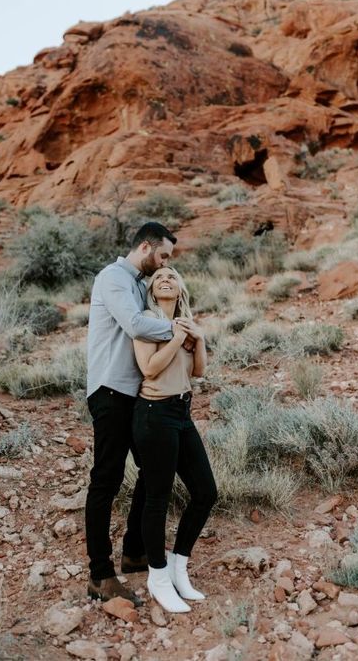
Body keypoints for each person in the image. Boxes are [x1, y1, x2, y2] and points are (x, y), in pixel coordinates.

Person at [85, 222, 192, 606]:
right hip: (111, 392)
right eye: (162, 256)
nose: (164, 263)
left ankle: (133, 552)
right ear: (145, 247)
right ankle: (100, 574)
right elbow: (133, 325)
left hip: (136, 395)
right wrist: (179, 330)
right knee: (107, 479)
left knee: (152, 470)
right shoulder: (114, 278)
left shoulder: (136, 284)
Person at [131, 266, 217, 613]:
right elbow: (148, 368)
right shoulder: (145, 321)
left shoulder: (185, 322)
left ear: (180, 287)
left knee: (206, 493)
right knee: (158, 498)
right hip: (153, 414)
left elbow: (198, 371)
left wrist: (199, 339)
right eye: (159, 277)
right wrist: (178, 338)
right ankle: (158, 576)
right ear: (152, 289)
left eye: (173, 276)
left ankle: (179, 564)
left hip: (182, 413)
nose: (165, 278)